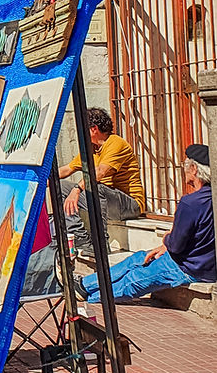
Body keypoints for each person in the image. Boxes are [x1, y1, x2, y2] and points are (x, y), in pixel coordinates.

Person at [78, 145, 215, 303]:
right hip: (193, 262)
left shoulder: (191, 203)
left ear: (194, 169)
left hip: (187, 267)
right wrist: (166, 246)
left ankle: (89, 297)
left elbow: (176, 245)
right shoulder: (203, 200)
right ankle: (83, 285)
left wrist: (166, 239)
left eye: (186, 165)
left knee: (133, 280)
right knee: (138, 258)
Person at [58, 107, 145, 255]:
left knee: (96, 187)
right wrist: (40, 180)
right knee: (58, 186)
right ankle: (82, 239)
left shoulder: (116, 143)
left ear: (93, 129)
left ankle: (101, 245)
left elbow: (100, 172)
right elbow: (67, 169)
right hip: (105, 201)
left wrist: (77, 189)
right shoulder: (91, 149)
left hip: (130, 205)